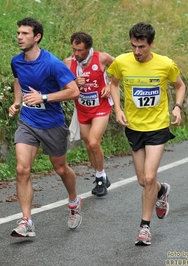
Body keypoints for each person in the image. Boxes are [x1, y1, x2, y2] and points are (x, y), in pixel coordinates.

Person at [107, 22, 186, 246]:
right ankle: (163, 190)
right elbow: (114, 83)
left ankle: (144, 228)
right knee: (144, 181)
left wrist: (177, 107)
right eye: (133, 46)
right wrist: (118, 109)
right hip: (134, 126)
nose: (137, 52)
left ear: (151, 44)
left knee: (149, 177)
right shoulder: (121, 62)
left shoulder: (165, 64)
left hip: (158, 126)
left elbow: (180, 86)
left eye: (141, 47)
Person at [8, 17, 82, 237]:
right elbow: (18, 80)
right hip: (28, 121)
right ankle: (26, 221)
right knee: (22, 169)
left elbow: (73, 91)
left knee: (60, 168)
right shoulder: (16, 61)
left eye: (25, 33)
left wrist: (44, 97)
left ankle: (74, 201)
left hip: (52, 124)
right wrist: (17, 101)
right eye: (18, 33)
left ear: (37, 37)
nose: (20, 37)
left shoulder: (52, 63)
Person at [63, 32, 115, 197]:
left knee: (93, 142)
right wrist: (74, 83)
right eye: (74, 49)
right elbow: (63, 85)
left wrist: (111, 85)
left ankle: (99, 179)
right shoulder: (68, 62)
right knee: (88, 145)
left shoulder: (102, 58)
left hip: (101, 106)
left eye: (80, 50)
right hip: (82, 109)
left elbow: (120, 68)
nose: (76, 54)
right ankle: (102, 174)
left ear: (89, 49)